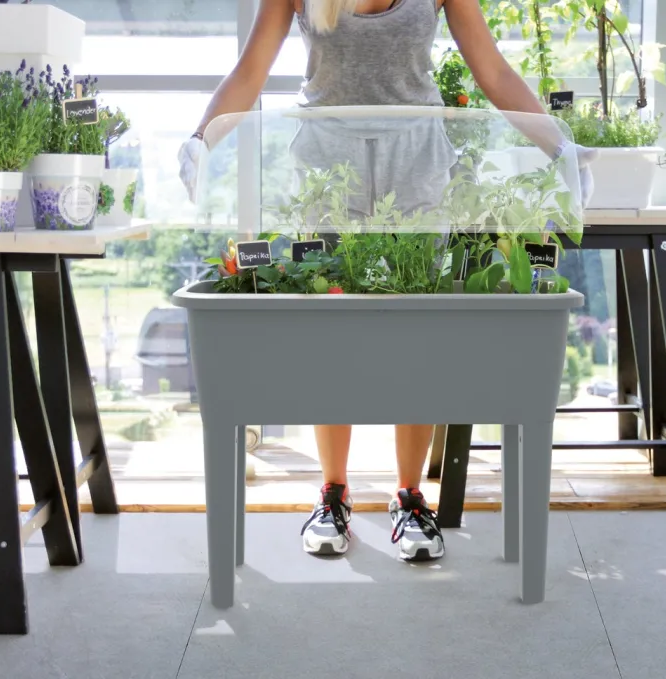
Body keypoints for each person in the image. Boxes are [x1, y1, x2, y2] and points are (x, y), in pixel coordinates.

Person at [178, 0, 596, 562]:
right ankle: (333, 493)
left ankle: (410, 497)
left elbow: (492, 69)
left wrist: (558, 144)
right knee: (330, 331)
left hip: (417, 161)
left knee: (416, 333)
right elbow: (251, 70)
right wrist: (201, 137)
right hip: (327, 164)